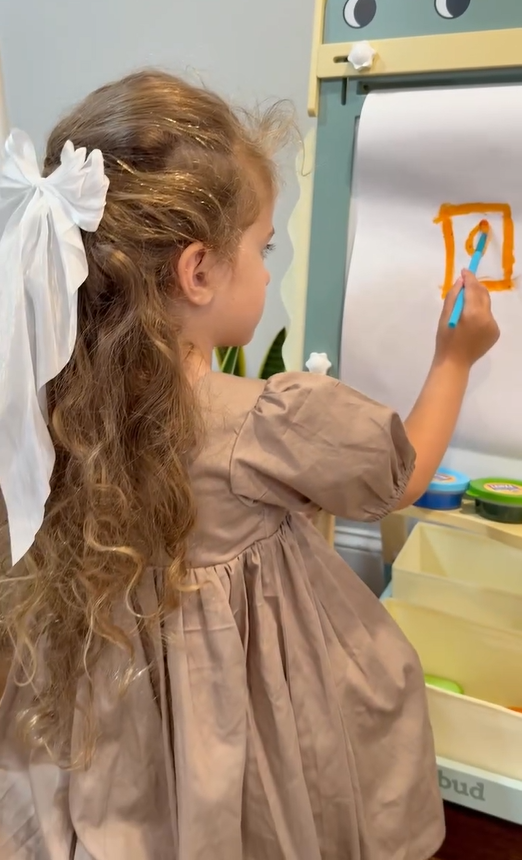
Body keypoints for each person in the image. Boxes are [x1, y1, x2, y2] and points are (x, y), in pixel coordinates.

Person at [0, 70, 499, 860]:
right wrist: (455, 359)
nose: (268, 271)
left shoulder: (42, 417)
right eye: (263, 248)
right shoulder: (264, 422)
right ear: (197, 271)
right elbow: (398, 479)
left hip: (106, 739)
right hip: (230, 740)